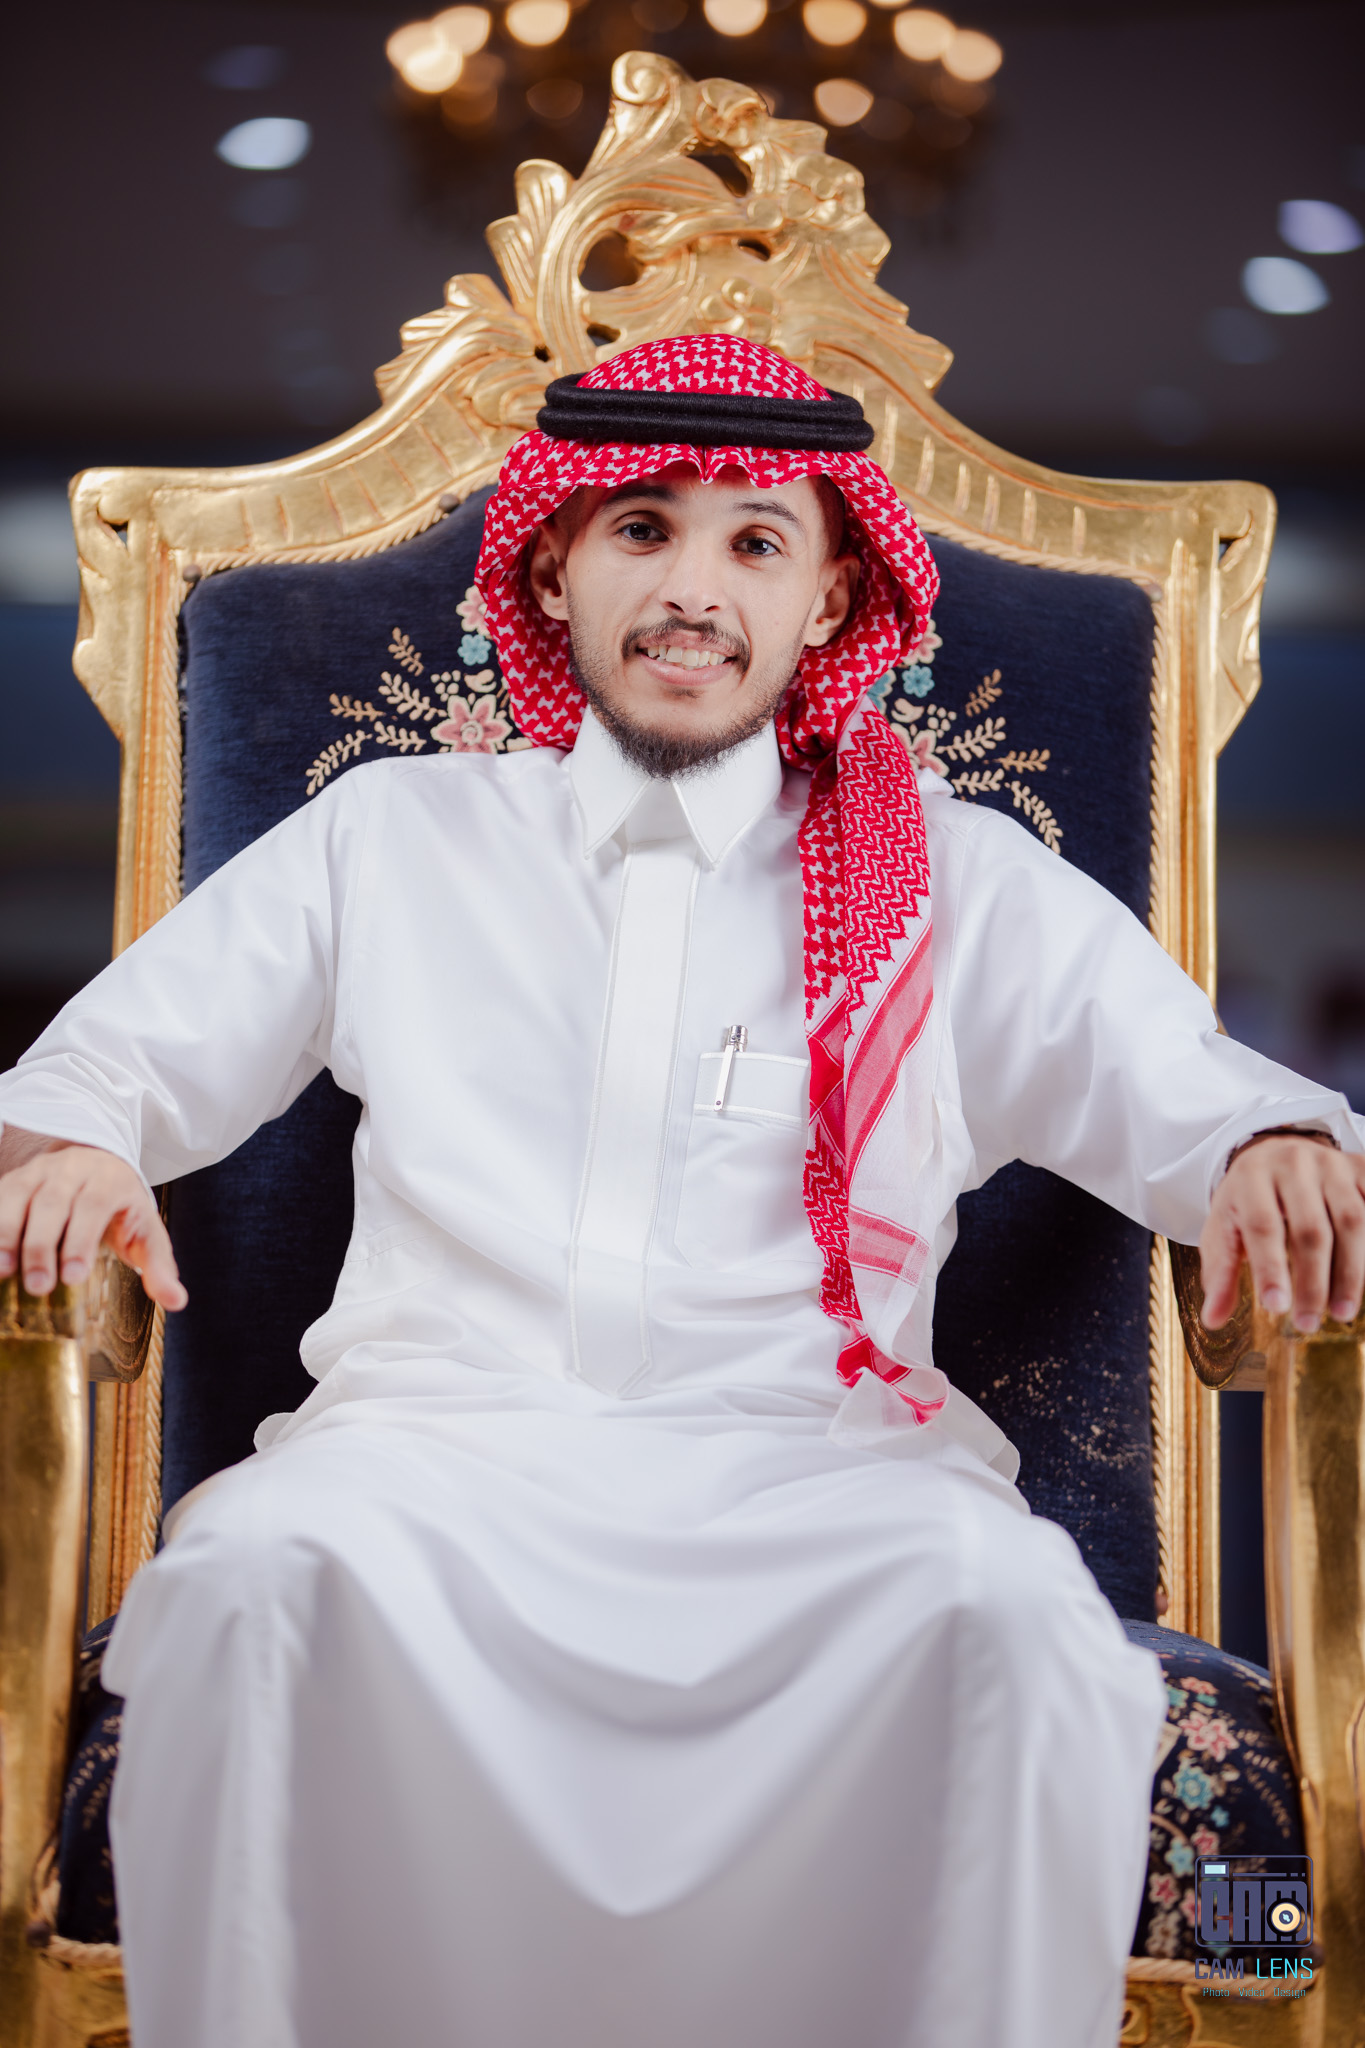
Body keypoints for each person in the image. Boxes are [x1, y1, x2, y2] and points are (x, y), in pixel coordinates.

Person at [0, 336, 1362, 2048]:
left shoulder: (945, 876)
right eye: (641, 529)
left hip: (822, 1481)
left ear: (827, 594)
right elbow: (103, 1067)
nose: (692, 590)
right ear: (552, 568)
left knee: (1011, 1622)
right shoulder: (393, 836)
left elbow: (1183, 1084)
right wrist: (78, 1144)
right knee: (250, 1590)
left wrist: (1267, 1145)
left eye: (753, 543)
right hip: (431, 1469)